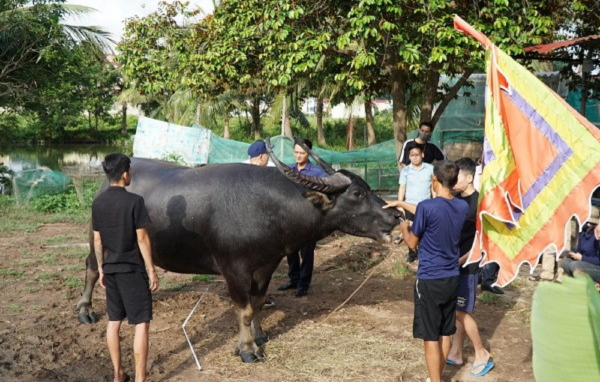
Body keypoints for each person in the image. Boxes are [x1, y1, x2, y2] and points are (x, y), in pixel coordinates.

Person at [388, 160, 469, 382]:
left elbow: (413, 242)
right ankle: (437, 377)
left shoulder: (426, 207)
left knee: (429, 336)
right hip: (452, 276)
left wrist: (404, 227)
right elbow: (438, 216)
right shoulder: (462, 206)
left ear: (434, 180)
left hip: (429, 278)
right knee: (445, 331)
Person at [92, 153, 159, 382]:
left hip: (110, 269)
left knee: (114, 322)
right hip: (132, 270)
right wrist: (151, 270)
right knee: (141, 323)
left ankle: (117, 375)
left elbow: (98, 240)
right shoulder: (135, 202)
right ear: (125, 174)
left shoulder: (98, 202)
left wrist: (101, 268)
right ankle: (140, 379)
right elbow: (142, 240)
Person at [446, 158, 494, 377]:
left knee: (460, 311)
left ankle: (481, 353)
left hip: (468, 264)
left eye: (457, 176)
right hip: (453, 263)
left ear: (469, 177)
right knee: (457, 308)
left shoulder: (480, 203)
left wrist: (465, 257)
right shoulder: (454, 199)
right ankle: (456, 352)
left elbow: (482, 239)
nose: (453, 180)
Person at [277, 138, 327, 297]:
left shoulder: (318, 172)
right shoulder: (289, 170)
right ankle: (293, 280)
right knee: (290, 250)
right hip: (290, 218)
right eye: (296, 152)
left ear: (309, 154)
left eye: (302, 153)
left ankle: (303, 284)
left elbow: (327, 188)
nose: (298, 156)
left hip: (308, 219)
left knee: (306, 252)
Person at [243, 140, 275, 308]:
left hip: (243, 229)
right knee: (258, 267)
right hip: (257, 229)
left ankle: (253, 296)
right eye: (267, 155)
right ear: (262, 156)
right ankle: (254, 298)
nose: (268, 158)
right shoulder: (264, 175)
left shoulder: (242, 172)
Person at [396, 143, 434, 262]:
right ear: (409, 157)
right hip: (410, 205)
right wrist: (400, 204)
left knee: (426, 229)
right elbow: (402, 188)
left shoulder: (430, 168)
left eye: (417, 155)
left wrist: (437, 200)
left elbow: (434, 187)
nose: (415, 157)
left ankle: (425, 252)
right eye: (412, 155)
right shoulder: (406, 170)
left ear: (422, 155)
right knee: (411, 229)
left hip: (426, 205)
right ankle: (412, 253)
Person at [558, 206, 600, 283]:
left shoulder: (598, 236)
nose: (589, 226)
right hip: (586, 262)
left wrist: (582, 258)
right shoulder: (583, 232)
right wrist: (570, 253)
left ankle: (593, 285)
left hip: (597, 267)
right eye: (588, 223)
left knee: (574, 265)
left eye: (592, 224)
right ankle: (575, 283)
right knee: (565, 263)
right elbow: (580, 250)